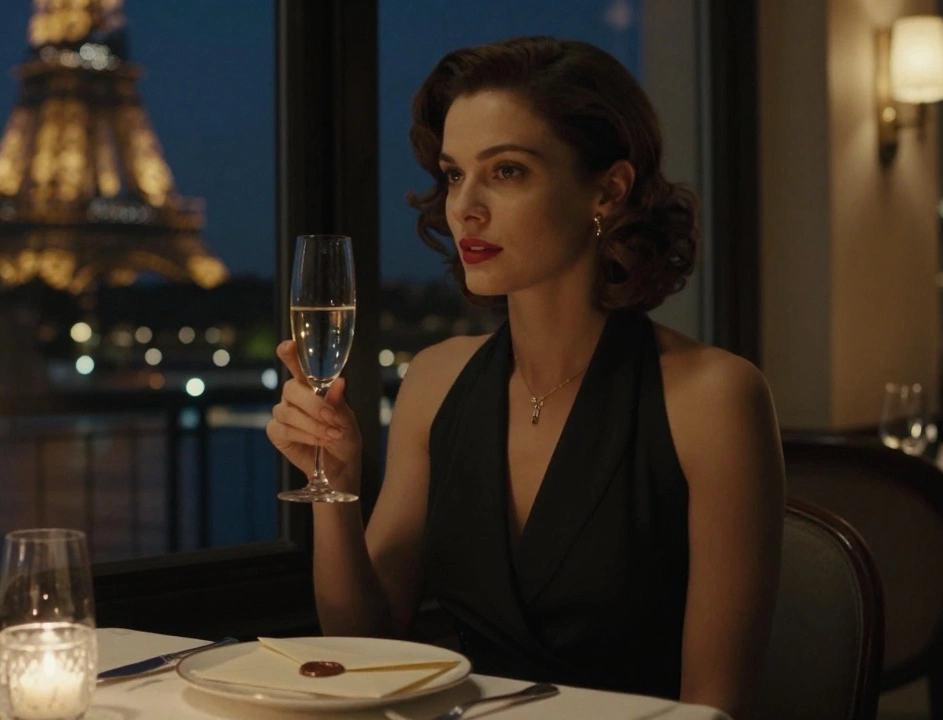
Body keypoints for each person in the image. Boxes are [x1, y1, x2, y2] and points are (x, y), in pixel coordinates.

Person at [266, 36, 784, 719]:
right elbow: (366, 640)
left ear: (608, 189)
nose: (464, 209)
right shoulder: (437, 379)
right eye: (454, 174)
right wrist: (336, 486)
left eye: (506, 171)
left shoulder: (713, 397)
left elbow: (716, 707)